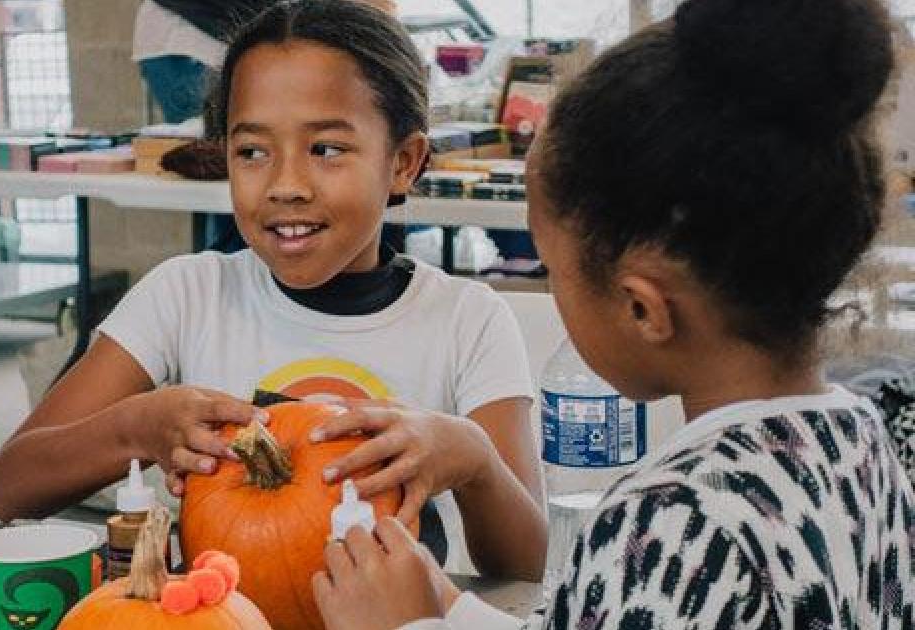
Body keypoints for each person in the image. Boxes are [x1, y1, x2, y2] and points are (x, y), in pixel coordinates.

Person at [311, 0, 915, 627]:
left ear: (642, 307)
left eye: (555, 271)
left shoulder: (677, 521)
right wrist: (452, 610)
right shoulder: (859, 436)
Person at [0, 0, 547, 579]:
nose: (285, 186)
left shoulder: (467, 320)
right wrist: (136, 428)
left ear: (403, 162)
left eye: (326, 149)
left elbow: (529, 564)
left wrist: (475, 461)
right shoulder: (185, 294)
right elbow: (5, 489)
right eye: (252, 151)